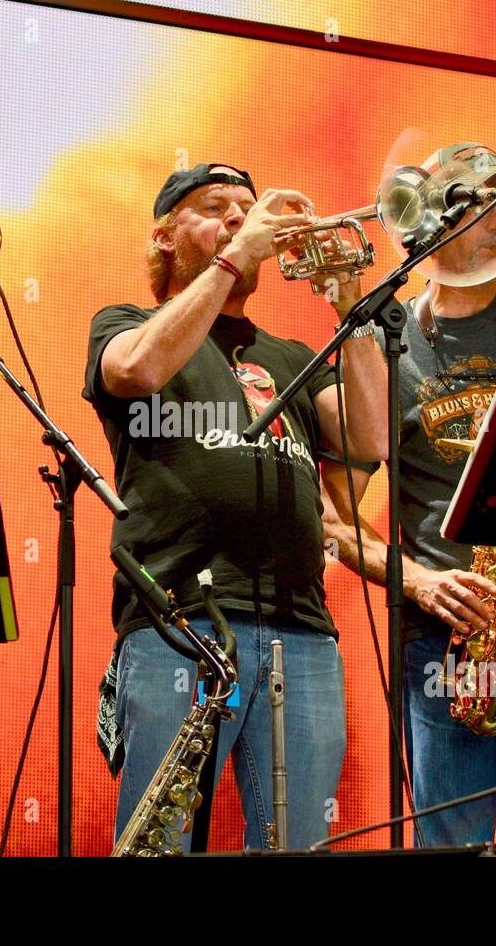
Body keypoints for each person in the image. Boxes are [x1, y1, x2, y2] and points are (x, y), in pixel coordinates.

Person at [84, 163, 388, 850]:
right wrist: (238, 252)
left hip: (302, 629)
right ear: (162, 237)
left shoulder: (291, 355)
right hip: (181, 625)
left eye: (247, 209)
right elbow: (136, 371)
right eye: (214, 207)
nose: (237, 217)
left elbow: (370, 436)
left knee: (295, 843)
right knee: (156, 843)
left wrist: (350, 305)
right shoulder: (125, 324)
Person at [320, 143, 496, 845]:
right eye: (481, 204)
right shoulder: (383, 340)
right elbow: (335, 516)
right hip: (448, 641)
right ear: (430, 219)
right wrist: (418, 582)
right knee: (453, 844)